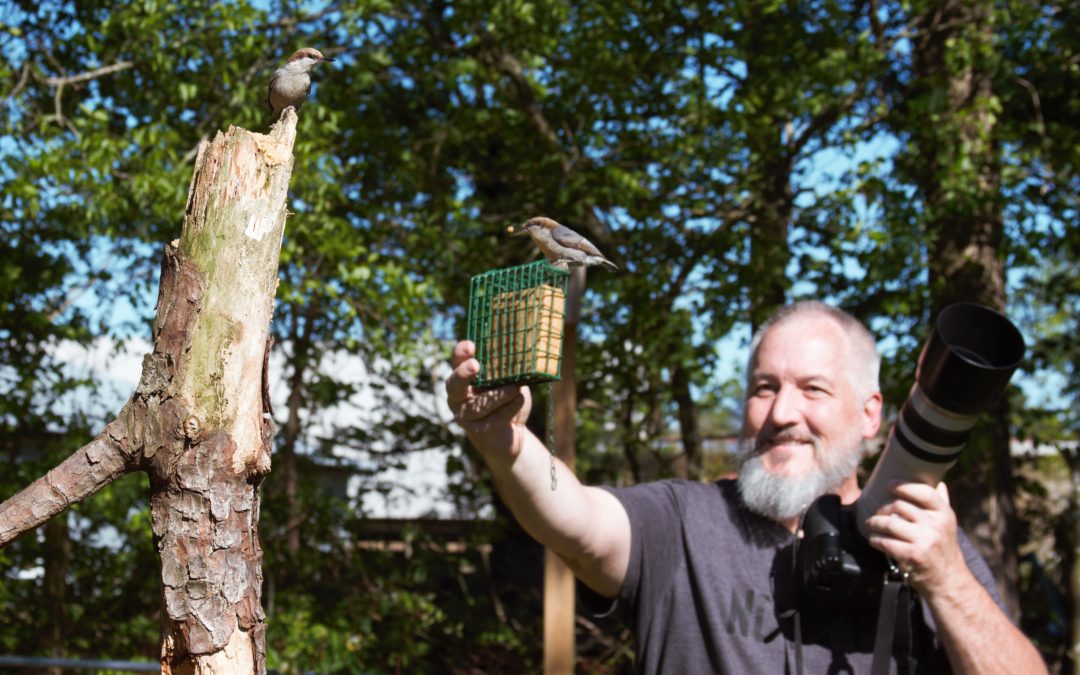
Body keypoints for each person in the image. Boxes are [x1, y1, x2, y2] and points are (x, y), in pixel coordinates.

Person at [445, 300, 1047, 674]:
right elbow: (571, 517)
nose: (782, 412)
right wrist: (507, 443)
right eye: (764, 387)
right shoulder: (681, 523)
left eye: (813, 389)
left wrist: (945, 579)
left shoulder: (930, 547)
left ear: (870, 414)